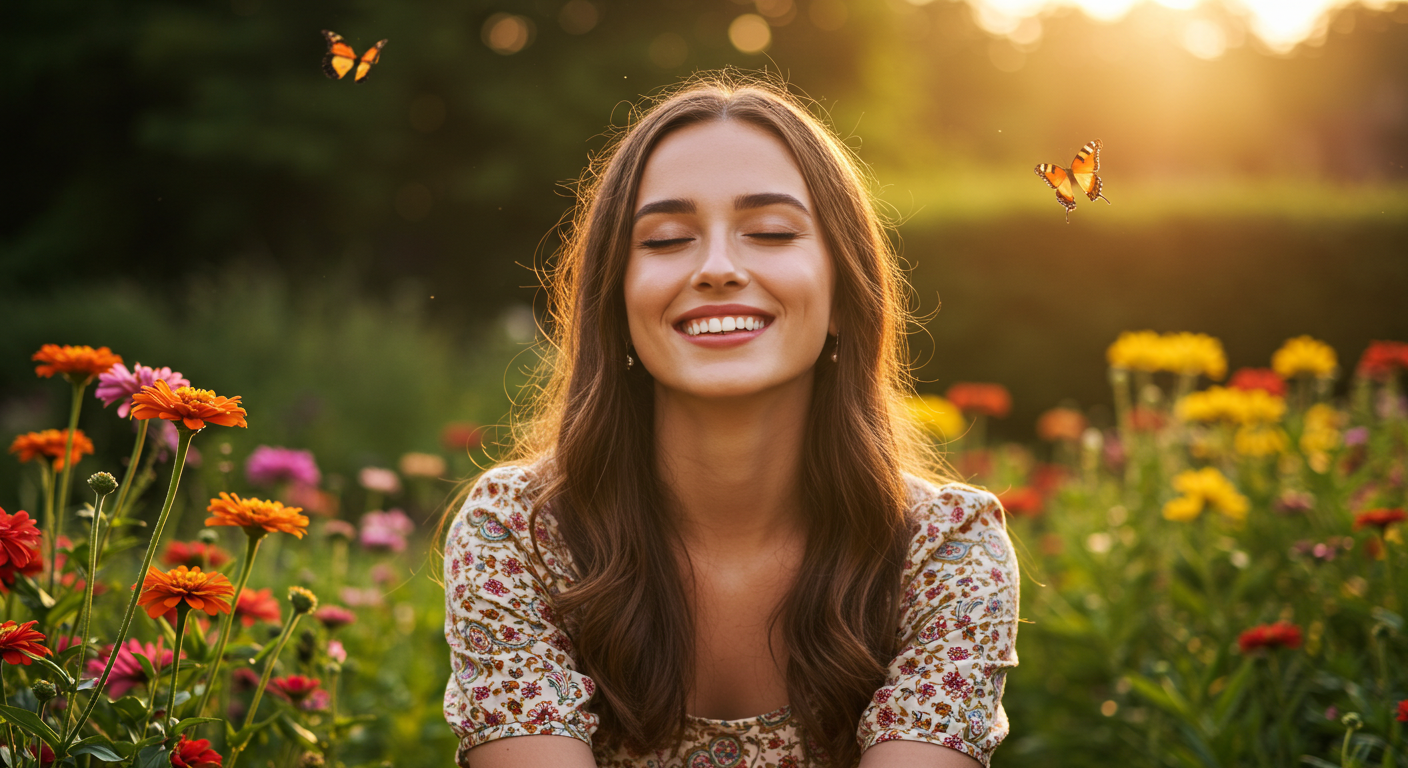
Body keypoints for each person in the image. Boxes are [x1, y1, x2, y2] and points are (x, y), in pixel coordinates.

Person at [442, 74, 1018, 768]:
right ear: (615, 300)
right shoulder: (517, 536)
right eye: (664, 240)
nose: (717, 267)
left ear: (842, 292)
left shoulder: (948, 553)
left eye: (770, 232)